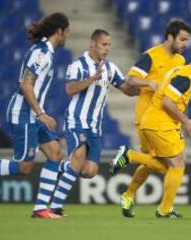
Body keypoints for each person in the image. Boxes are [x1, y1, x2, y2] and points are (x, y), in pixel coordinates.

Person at [0, 12, 70, 219]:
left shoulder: (46, 52)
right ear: (59, 31)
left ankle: (41, 209)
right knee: (25, 166)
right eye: (67, 32)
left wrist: (40, 114)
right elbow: (26, 85)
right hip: (24, 114)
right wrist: (41, 113)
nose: (67, 37)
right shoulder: (41, 53)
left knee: (55, 152)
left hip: (34, 115)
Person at [47, 29, 151, 215]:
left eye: (109, 45)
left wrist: (147, 90)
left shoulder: (110, 68)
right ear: (93, 44)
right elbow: (69, 89)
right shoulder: (78, 65)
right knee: (78, 158)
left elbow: (127, 89)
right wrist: (92, 79)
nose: (107, 49)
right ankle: (56, 207)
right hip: (76, 121)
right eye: (104, 44)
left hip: (95, 127)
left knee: (89, 171)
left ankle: (63, 166)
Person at [110, 49, 191, 218]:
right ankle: (163, 208)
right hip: (159, 123)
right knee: (178, 165)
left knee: (170, 166)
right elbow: (167, 103)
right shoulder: (185, 76)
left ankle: (134, 174)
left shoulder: (179, 71)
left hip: (154, 122)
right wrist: (187, 122)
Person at [111, 19, 191, 218]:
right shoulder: (151, 56)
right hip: (148, 117)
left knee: (155, 163)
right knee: (172, 165)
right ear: (170, 37)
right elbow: (130, 80)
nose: (185, 44)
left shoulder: (180, 61)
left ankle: (129, 194)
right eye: (182, 39)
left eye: (187, 40)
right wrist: (150, 83)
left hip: (166, 120)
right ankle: (130, 160)